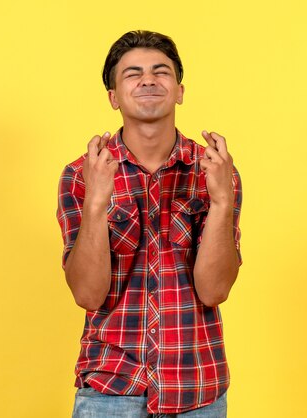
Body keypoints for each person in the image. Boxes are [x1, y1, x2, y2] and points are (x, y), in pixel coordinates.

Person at [57, 30, 242, 417]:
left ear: (179, 90)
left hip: (197, 390)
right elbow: (88, 295)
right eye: (132, 73)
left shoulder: (214, 172)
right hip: (109, 391)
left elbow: (214, 290)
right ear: (113, 97)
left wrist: (222, 200)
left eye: (161, 72)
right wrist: (96, 203)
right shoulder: (81, 174)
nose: (148, 80)